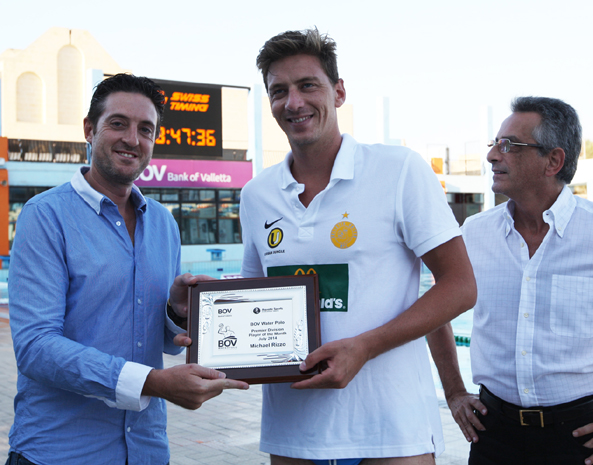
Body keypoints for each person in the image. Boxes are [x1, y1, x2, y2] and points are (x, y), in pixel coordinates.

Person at [239, 28, 476, 465]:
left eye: (308, 85)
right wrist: (206, 323)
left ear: (339, 92)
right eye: (279, 91)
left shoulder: (398, 170)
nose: (293, 102)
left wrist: (364, 347)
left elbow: (461, 286)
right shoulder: (257, 195)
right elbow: (255, 300)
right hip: (294, 433)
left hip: (391, 431)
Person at [7, 73, 248, 465]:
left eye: (145, 129)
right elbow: (35, 347)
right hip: (60, 453)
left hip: (146, 449)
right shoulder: (45, 216)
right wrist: (152, 382)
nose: (132, 139)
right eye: (118, 124)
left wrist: (176, 312)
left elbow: (166, 342)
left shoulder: (163, 224)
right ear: (89, 129)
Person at [428, 96, 593, 465]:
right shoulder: (475, 234)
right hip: (492, 436)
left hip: (583, 441)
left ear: (553, 161)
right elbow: (435, 310)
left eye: (508, 145)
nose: (492, 156)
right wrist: (453, 392)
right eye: (494, 144)